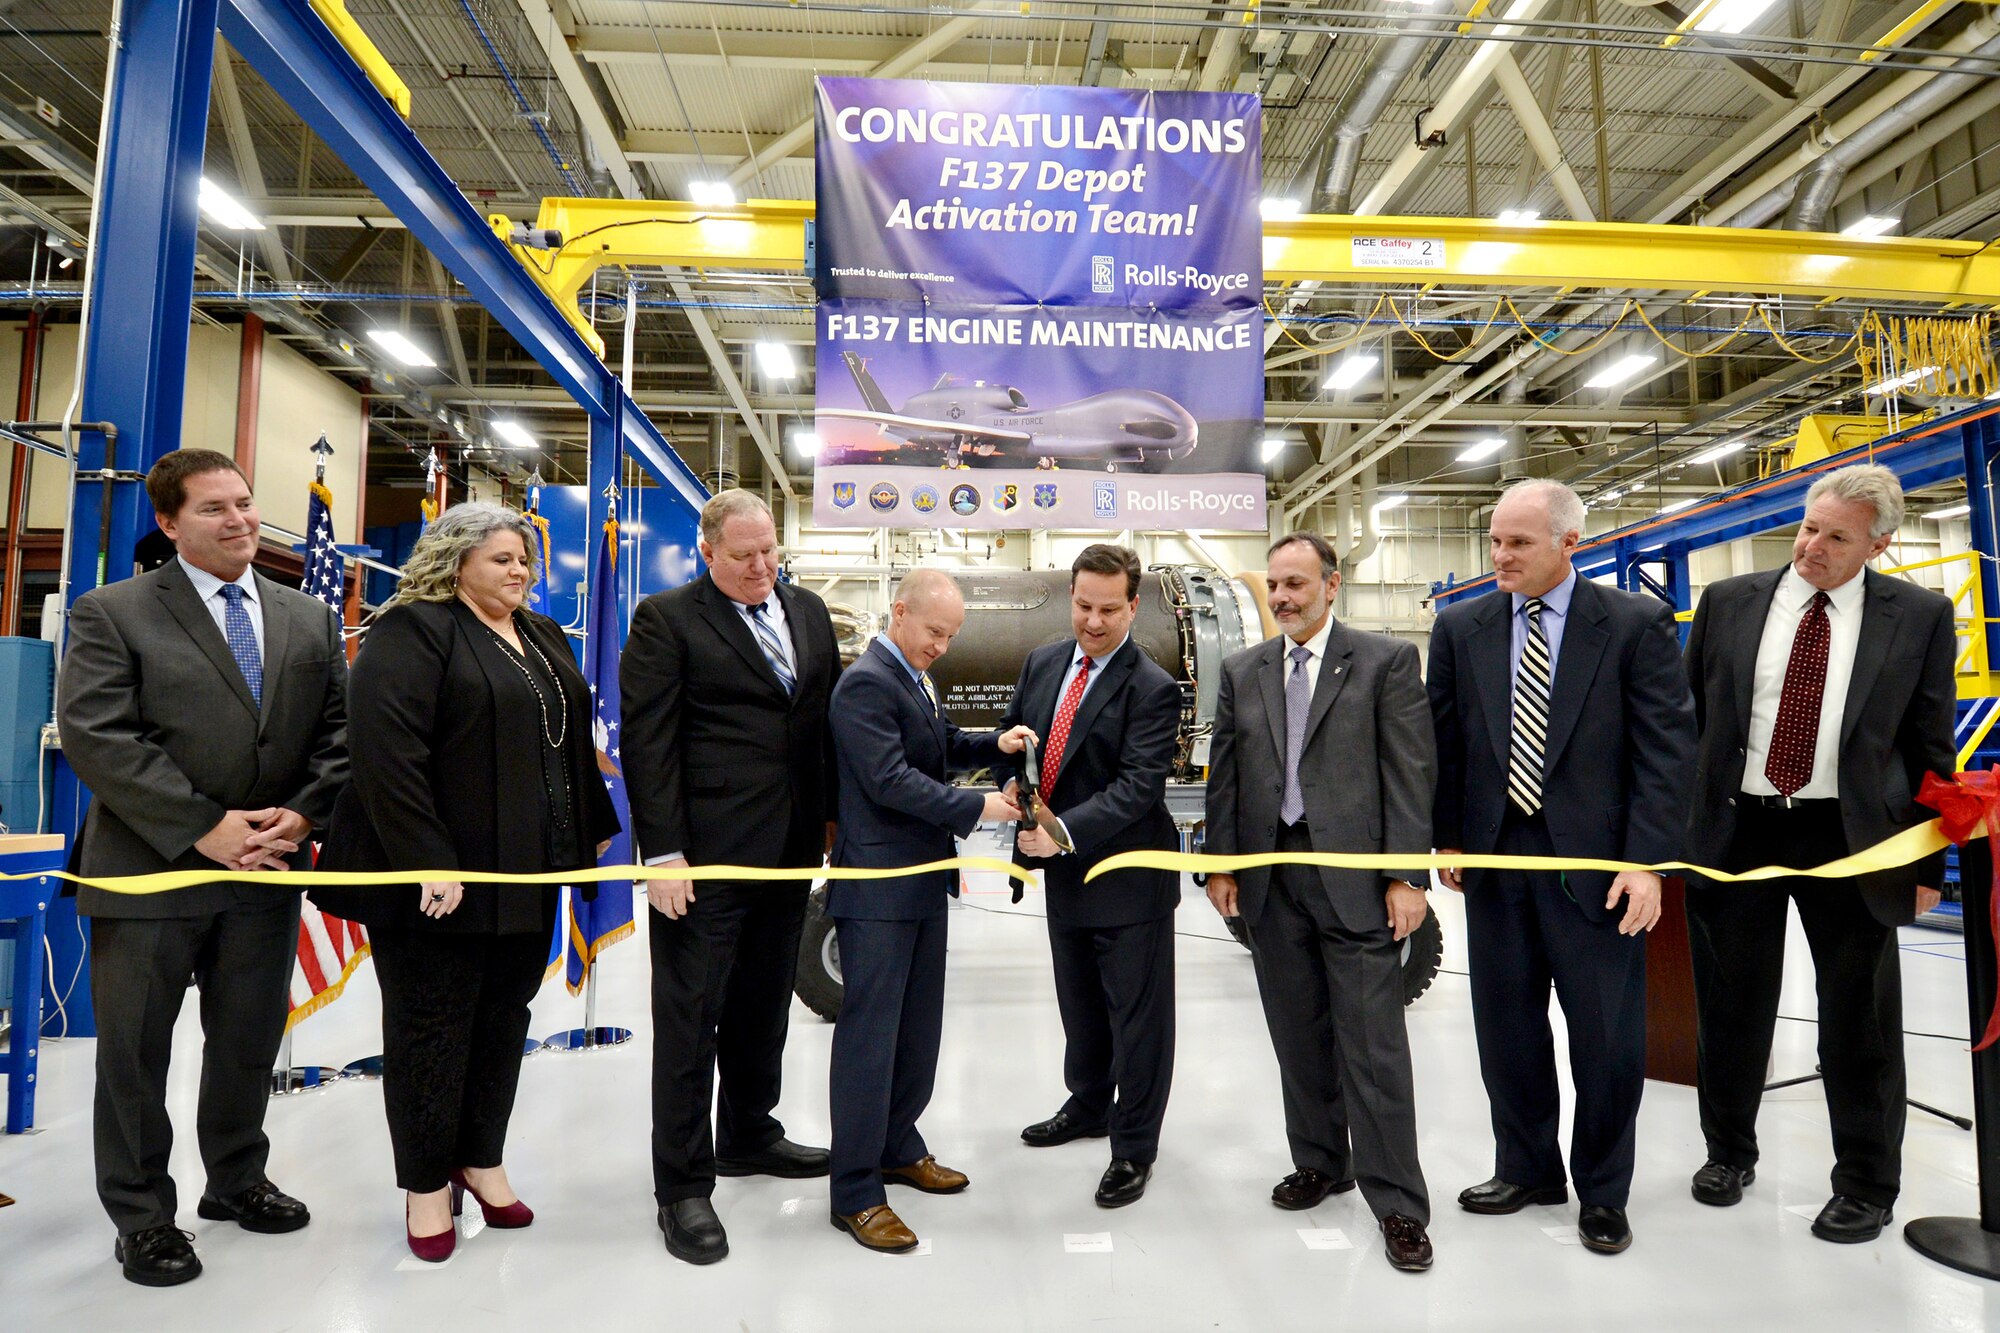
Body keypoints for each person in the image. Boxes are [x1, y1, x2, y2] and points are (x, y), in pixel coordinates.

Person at [58, 448, 349, 1286]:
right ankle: (144, 1216)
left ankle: (237, 1178)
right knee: (135, 1056)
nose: (241, 520)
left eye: (247, 502)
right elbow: (98, 736)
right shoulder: (112, 612)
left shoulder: (308, 617)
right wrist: (203, 828)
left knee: (247, 1040)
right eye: (216, 507)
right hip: (150, 871)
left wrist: (301, 814)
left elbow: (339, 732)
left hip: (266, 870)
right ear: (170, 521)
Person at [314, 502, 619, 1263]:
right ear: (455, 561)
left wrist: (592, 833)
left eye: (524, 559)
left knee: (502, 1022)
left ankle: (481, 1160)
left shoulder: (544, 634)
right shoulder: (410, 630)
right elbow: (386, 754)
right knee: (430, 1030)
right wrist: (429, 856)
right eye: (502, 558)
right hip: (432, 881)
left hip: (524, 875)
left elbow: (566, 741)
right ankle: (425, 1185)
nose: (520, 570)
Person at [1682, 464, 1954, 1242]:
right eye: (1809, 527)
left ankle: (1867, 1181)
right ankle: (1727, 1150)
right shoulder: (1730, 601)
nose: (1813, 547)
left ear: (1878, 543)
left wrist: (1928, 864)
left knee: (1859, 1017)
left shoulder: (1920, 615)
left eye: (1837, 537)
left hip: (1854, 839)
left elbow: (1930, 744)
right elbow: (1691, 722)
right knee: (1731, 1004)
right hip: (1741, 829)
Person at [1427, 478, 1696, 1255]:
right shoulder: (1461, 626)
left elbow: (1666, 752)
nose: (1500, 556)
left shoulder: (1636, 625)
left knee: (1607, 1039)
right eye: (1495, 541)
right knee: (1505, 1029)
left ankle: (1604, 1191)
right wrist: (1448, 838)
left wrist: (1647, 863)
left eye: (1518, 543)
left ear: (1570, 543)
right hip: (1495, 860)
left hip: (1599, 867)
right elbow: (1444, 745)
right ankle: (1528, 1167)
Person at [1203, 532, 1437, 1273]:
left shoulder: (1385, 661)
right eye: (1275, 584)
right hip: (1273, 883)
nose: (1282, 597)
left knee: (1372, 1047)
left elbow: (1409, 771)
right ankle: (1320, 1161)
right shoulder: (1244, 670)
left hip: (1358, 882)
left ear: (1331, 586)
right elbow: (1228, 776)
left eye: (1297, 584)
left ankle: (1398, 1202)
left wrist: (1408, 877)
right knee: (1297, 1035)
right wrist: (1221, 865)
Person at [621, 488, 841, 1265]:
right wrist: (663, 851)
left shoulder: (807, 612)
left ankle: (748, 1131)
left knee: (761, 1006)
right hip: (704, 857)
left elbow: (820, 723)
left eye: (769, 551)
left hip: (788, 849)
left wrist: (833, 821)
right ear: (706, 552)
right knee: (692, 1017)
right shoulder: (668, 619)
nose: (760, 567)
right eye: (743, 555)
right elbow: (649, 743)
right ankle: (682, 1185)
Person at [824, 569, 1032, 1252]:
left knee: (916, 1030)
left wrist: (989, 746)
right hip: (880, 887)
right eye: (934, 631)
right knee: (869, 1036)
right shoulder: (863, 685)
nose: (941, 645)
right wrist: (980, 806)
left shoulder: (912, 675)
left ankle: (897, 1143)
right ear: (900, 611)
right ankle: (855, 1189)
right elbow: (889, 780)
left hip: (920, 883)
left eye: (951, 635)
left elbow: (935, 743)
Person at [1000, 544, 1181, 1209]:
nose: (1094, 622)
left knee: (1138, 1020)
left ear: (1134, 606)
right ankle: (1087, 1104)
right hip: (1063, 876)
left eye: (1109, 609)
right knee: (1079, 1005)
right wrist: (1014, 789)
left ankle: (1134, 1146)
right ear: (1069, 596)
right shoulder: (1044, 662)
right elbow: (1015, 738)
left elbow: (1136, 789)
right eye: (1083, 605)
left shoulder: (1153, 689)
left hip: (1127, 878)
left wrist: (1058, 831)